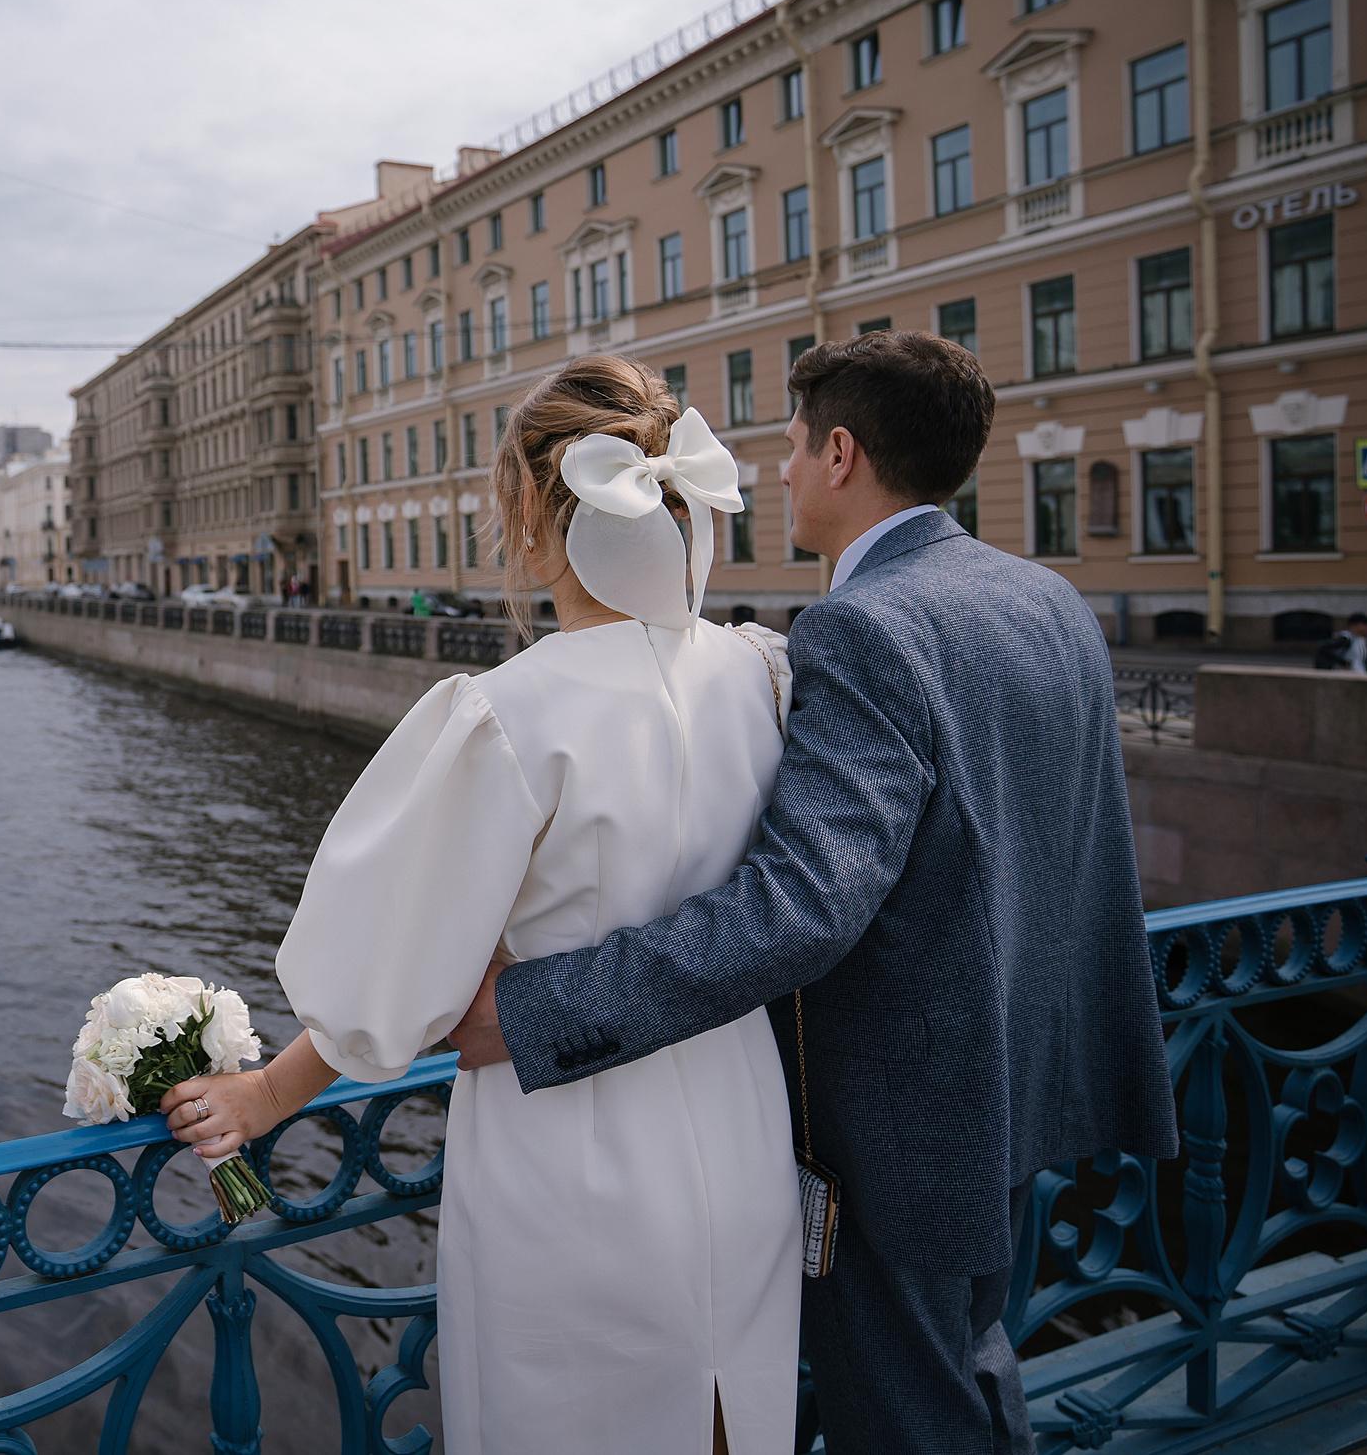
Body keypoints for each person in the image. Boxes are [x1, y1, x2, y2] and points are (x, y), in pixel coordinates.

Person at [442, 331, 1178, 1452]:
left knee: (907, 1415)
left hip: (901, 1128)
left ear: (840, 453)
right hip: (1022, 1086)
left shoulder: (862, 627)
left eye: (788, 448)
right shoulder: (1045, 597)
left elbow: (800, 906)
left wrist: (535, 1010)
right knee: (972, 1374)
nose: (775, 473)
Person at [163, 356, 803, 1454]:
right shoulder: (760, 673)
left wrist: (268, 1091)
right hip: (746, 1136)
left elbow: (394, 978)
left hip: (571, 1158)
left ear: (525, 510)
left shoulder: (509, 715)